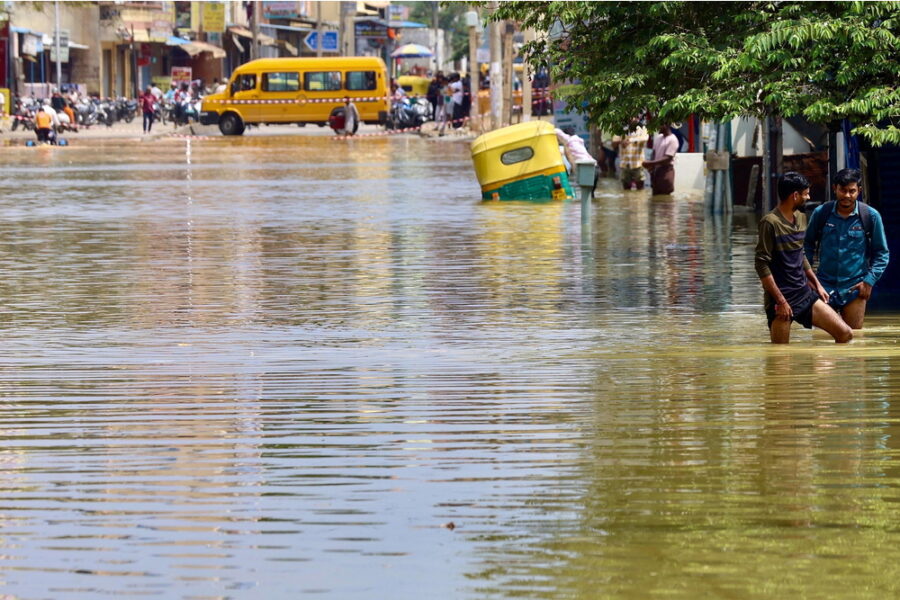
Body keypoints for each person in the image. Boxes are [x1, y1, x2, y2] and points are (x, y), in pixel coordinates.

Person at [755, 172, 853, 344]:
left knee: (845, 334)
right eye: (806, 194)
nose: (808, 197)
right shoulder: (769, 222)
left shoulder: (801, 218)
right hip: (780, 300)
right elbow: (761, 265)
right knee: (780, 355)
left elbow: (800, 254)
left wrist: (817, 285)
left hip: (804, 294)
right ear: (795, 195)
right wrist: (781, 301)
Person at [803, 168, 890, 329]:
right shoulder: (821, 213)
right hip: (823, 287)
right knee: (822, 339)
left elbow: (882, 253)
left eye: (852, 191)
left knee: (853, 337)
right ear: (835, 188)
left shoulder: (870, 216)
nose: (847, 195)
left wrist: (869, 281)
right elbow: (807, 245)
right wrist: (807, 278)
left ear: (859, 191)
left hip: (855, 288)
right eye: (843, 190)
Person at [612, 119, 649, 190]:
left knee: (640, 188)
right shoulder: (621, 129)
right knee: (626, 189)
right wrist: (621, 141)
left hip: (638, 164)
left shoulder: (642, 128)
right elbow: (614, 142)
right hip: (625, 163)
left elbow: (645, 138)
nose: (633, 118)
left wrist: (630, 140)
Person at [642, 124, 678, 195]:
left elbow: (668, 158)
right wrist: (650, 167)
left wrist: (650, 163)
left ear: (665, 125)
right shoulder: (658, 138)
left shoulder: (673, 139)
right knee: (655, 195)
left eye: (660, 125)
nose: (658, 127)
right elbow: (654, 153)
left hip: (666, 171)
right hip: (656, 171)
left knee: (665, 197)